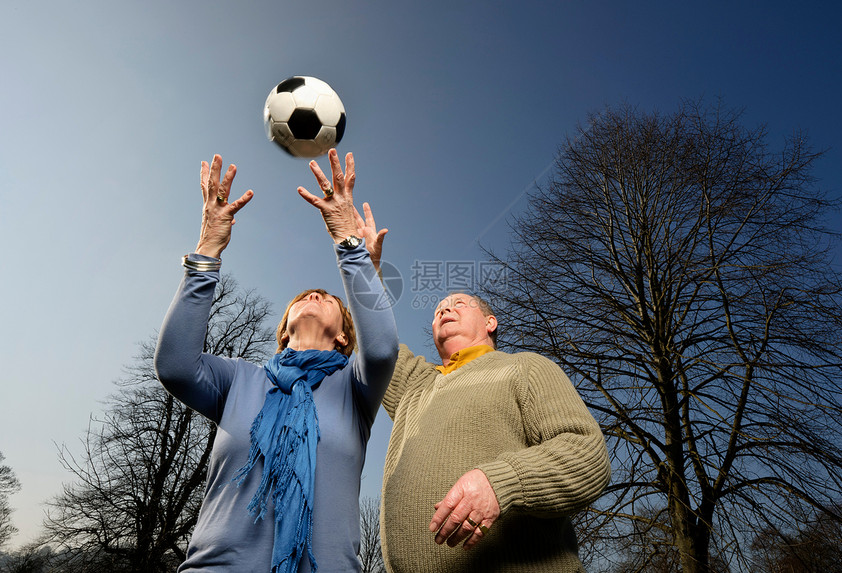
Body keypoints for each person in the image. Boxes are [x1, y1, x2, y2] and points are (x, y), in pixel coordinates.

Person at [153, 150, 398, 573]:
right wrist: (208, 248)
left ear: (344, 335)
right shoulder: (240, 379)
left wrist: (348, 244)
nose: (313, 296)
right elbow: (174, 365)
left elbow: (380, 348)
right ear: (284, 330)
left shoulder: (353, 385)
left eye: (326, 298)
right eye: (302, 297)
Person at [357, 216, 610, 572]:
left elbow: (587, 455)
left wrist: (503, 481)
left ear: (490, 322)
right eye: (438, 308)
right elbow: (375, 344)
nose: (445, 308)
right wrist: (362, 268)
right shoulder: (415, 385)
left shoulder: (524, 368)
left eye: (459, 303)